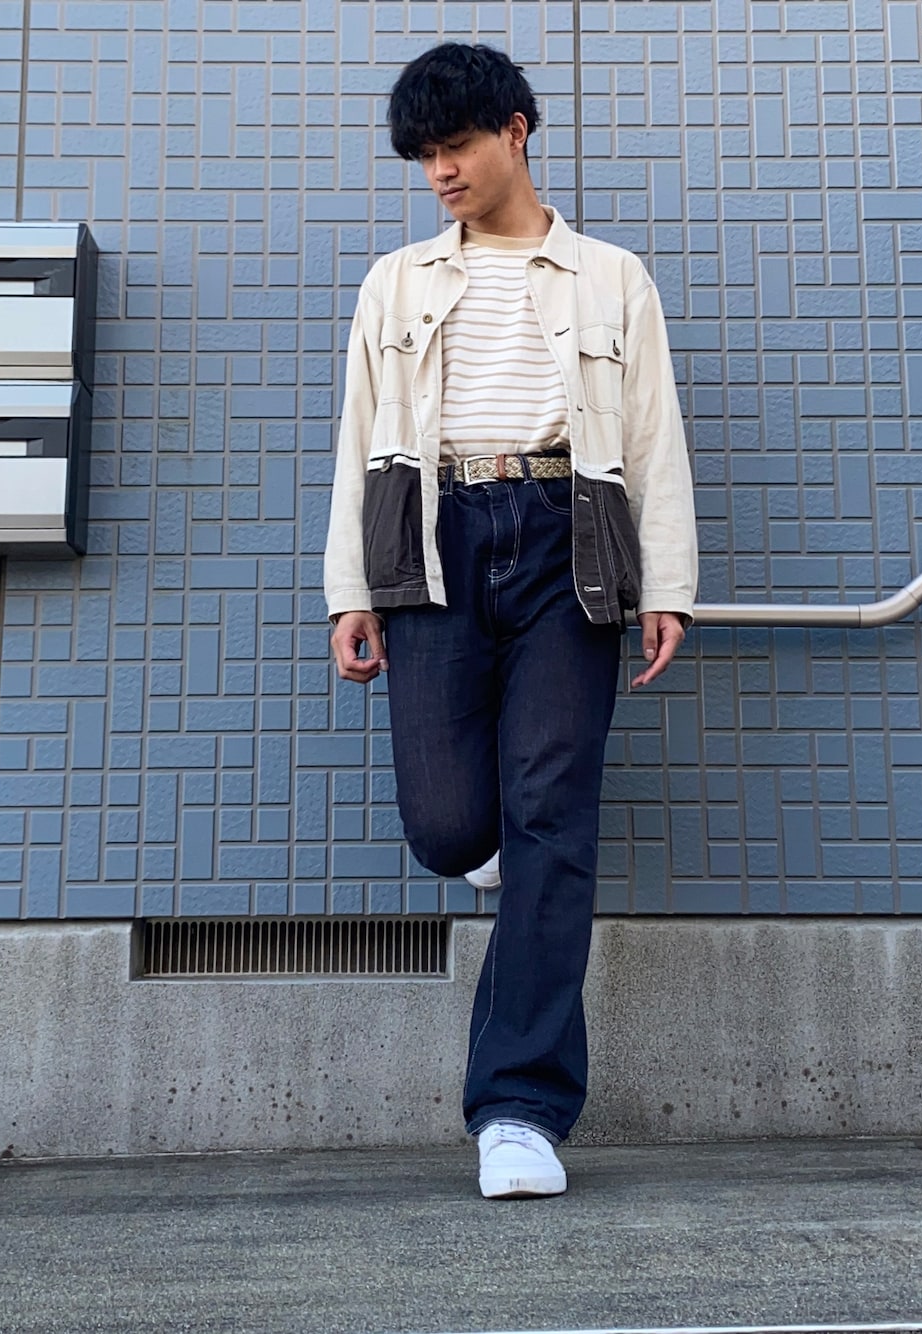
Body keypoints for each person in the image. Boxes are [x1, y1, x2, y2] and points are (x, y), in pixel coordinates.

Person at [325, 42, 698, 1199]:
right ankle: (492, 847)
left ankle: (519, 1108)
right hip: (433, 538)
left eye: (456, 146)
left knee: (553, 821)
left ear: (516, 132)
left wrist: (667, 583)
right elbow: (358, 440)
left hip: (565, 537)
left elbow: (651, 433)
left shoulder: (610, 277)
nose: (440, 171)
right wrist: (351, 589)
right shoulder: (395, 283)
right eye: (424, 156)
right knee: (447, 824)